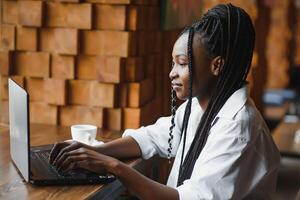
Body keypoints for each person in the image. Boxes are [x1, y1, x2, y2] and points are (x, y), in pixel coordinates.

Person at [49, 3, 280, 199]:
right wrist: (93, 150)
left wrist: (111, 166)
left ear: (216, 65)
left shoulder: (237, 128)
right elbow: (153, 137)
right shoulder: (202, 107)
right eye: (173, 64)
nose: (172, 73)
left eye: (182, 63)